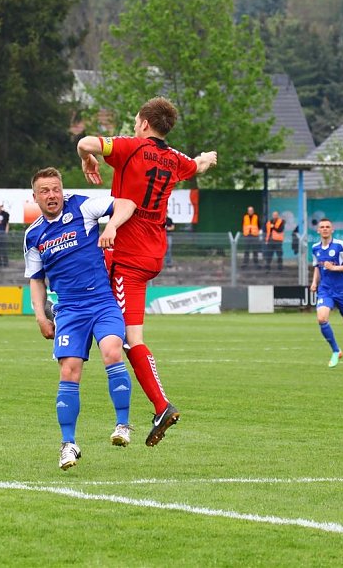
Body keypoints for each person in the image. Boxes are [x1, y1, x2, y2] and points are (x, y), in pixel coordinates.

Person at [77, 96, 217, 446]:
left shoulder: (131, 147)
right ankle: (67, 311)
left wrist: (87, 158)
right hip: (152, 253)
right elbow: (197, 165)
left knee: (130, 338)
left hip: (128, 254)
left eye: (136, 122)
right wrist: (206, 158)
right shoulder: (175, 159)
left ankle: (161, 404)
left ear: (142, 123)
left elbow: (85, 142)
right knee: (103, 299)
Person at [23, 167, 137, 470]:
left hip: (101, 301)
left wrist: (111, 227)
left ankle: (122, 425)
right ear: (35, 197)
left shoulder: (83, 206)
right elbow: (36, 279)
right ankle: (68, 444)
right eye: (45, 191)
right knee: (69, 371)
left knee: (112, 351)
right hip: (70, 311)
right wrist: (40, 316)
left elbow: (127, 204)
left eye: (56, 189)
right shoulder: (34, 235)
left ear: (63, 190)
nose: (52, 195)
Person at [310, 218, 343, 371]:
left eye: (328, 227)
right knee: (321, 318)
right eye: (322, 227)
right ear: (318, 230)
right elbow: (317, 267)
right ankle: (335, 350)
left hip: (342, 291)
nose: (325, 229)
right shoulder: (315, 248)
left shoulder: (340, 245)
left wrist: (334, 268)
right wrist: (314, 282)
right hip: (325, 290)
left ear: (332, 230)